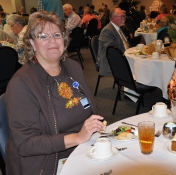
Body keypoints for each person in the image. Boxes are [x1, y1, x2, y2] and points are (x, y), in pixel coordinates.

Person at [5, 11, 105, 175]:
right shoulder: (22, 84)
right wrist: (78, 137)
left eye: (57, 35)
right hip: (49, 162)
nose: (52, 40)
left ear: (64, 40)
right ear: (32, 42)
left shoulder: (72, 67)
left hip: (85, 149)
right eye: (43, 36)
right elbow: (25, 144)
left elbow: (90, 108)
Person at [97, 8, 131, 76]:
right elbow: (111, 51)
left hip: (124, 55)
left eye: (124, 16)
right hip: (111, 61)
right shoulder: (107, 31)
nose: (124, 18)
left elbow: (126, 44)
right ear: (113, 18)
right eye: (121, 16)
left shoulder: (118, 28)